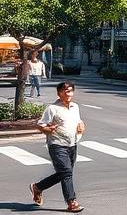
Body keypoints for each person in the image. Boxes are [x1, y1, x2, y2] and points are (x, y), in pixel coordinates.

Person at [30, 81, 85, 213]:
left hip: (72, 144)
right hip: (57, 145)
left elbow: (78, 121)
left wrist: (82, 125)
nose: (69, 94)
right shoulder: (52, 109)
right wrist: (47, 129)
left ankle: (38, 187)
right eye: (66, 91)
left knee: (65, 173)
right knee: (66, 172)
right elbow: (40, 125)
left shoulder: (75, 107)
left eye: (71, 91)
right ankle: (71, 202)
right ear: (59, 93)